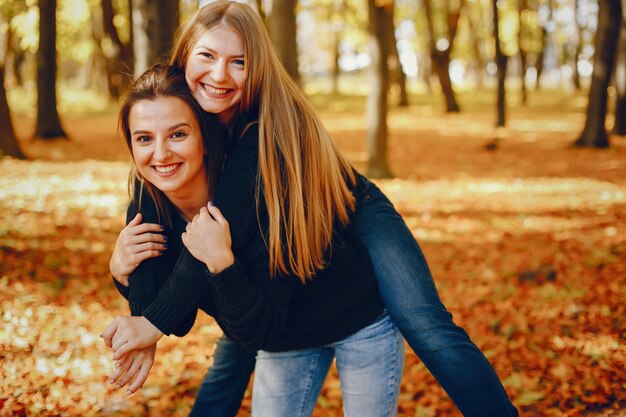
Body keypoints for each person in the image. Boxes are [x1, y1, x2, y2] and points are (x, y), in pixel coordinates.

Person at [108, 2, 519, 416]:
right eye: (208, 56)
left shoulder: (265, 126)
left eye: (239, 61)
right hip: (276, 237)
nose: (219, 74)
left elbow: (211, 232)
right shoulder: (173, 107)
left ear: (259, 67)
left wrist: (151, 325)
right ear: (184, 56)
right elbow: (158, 225)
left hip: (351, 209)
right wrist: (130, 289)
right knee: (239, 338)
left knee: (424, 324)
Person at [102, 63, 405, 417]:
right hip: (285, 341)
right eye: (144, 139)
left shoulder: (255, 192)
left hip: (357, 319)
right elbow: (175, 319)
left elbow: (258, 329)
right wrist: (122, 275)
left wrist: (222, 265)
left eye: (177, 134)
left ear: (205, 140)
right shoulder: (146, 205)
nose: (161, 154)